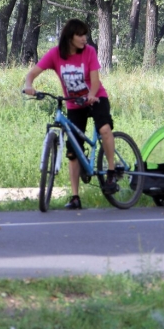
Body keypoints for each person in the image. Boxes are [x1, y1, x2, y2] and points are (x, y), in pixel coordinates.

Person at [23, 19, 118, 210]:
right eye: (80, 35)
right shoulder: (55, 55)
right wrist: (28, 86)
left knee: (105, 129)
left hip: (95, 98)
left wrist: (91, 95)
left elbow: (95, 81)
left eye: (85, 35)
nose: (84, 39)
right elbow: (31, 74)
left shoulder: (89, 52)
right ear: (70, 37)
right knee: (73, 152)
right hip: (74, 104)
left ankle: (112, 172)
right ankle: (75, 197)